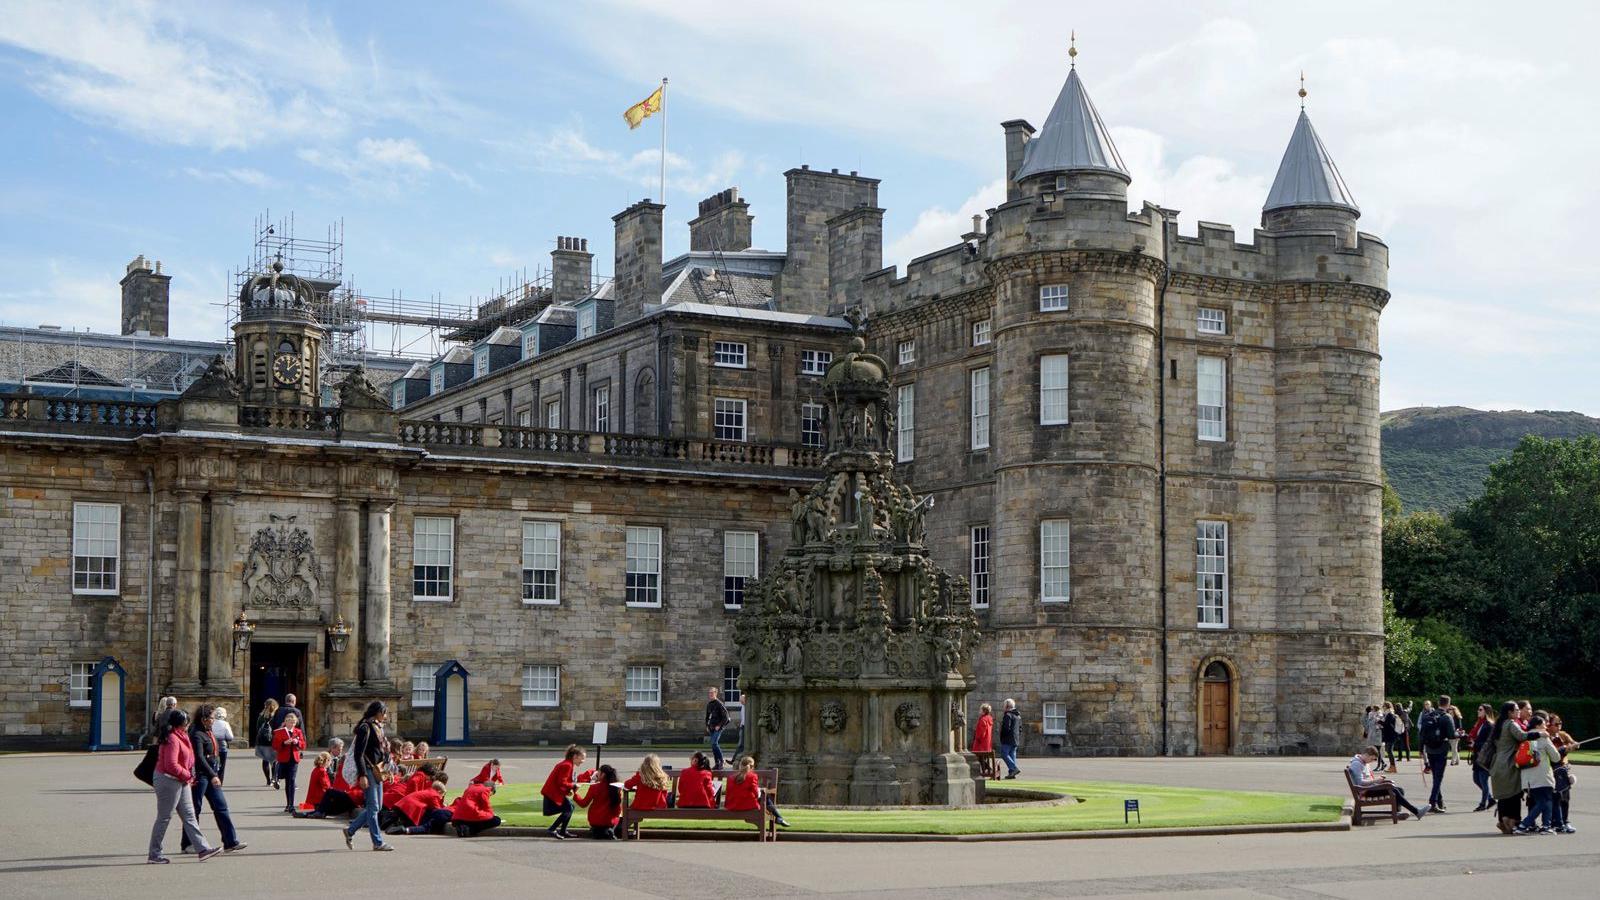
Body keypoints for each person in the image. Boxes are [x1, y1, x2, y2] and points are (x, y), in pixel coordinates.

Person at [147, 710, 222, 863]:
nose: (189, 725)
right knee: (164, 817)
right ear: (181, 724)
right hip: (168, 780)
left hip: (181, 779)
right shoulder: (172, 738)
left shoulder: (182, 736)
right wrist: (188, 775)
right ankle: (154, 853)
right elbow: (171, 765)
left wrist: (189, 775)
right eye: (187, 722)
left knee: (189, 815)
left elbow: (189, 758)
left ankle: (202, 849)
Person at [181, 705, 244, 855]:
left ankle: (230, 841)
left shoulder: (208, 731)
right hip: (200, 776)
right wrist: (213, 775)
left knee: (221, 807)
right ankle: (187, 843)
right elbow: (199, 758)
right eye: (211, 718)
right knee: (194, 810)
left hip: (210, 775)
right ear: (203, 719)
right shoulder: (196, 734)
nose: (214, 720)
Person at [343, 700, 395, 851]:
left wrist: (389, 769)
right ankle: (378, 842)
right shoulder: (365, 727)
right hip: (368, 771)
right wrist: (362, 775)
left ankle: (350, 830)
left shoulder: (378, 727)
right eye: (384, 712)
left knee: (376, 807)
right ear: (377, 712)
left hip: (378, 770)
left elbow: (382, 753)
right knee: (373, 808)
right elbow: (359, 754)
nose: (385, 716)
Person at [1346, 744, 1426, 820]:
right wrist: (1376, 781)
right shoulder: (1357, 764)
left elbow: (1365, 779)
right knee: (1393, 789)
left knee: (1400, 790)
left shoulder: (1362, 762)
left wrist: (1378, 781)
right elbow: (1360, 783)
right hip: (1366, 791)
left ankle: (1397, 813)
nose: (1371, 761)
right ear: (1366, 755)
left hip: (1369, 788)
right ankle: (1416, 811)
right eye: (1372, 759)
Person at [1487, 700, 1530, 834]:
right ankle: (1512, 820)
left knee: (1503, 794)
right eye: (1516, 710)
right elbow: (1522, 736)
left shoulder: (1498, 725)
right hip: (1509, 763)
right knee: (1515, 792)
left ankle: (1502, 819)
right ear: (1510, 712)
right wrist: (1539, 733)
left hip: (1497, 764)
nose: (1518, 712)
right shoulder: (1511, 724)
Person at [1515, 716, 1560, 834]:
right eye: (1544, 724)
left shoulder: (1524, 737)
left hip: (1527, 777)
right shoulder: (1543, 737)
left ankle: (1546, 826)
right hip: (1542, 776)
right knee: (1543, 801)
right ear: (1537, 726)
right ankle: (1524, 825)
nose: (1546, 726)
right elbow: (1556, 758)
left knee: (1544, 800)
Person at [723, 755, 789, 827]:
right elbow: (756, 794)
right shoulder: (752, 776)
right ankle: (779, 817)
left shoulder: (730, 777)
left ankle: (779, 817)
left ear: (740, 765)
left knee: (763, 797)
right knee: (765, 797)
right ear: (752, 767)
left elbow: (729, 792)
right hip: (747, 806)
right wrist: (760, 790)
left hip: (732, 806)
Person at [1418, 694, 1456, 812]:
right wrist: (1460, 734)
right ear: (1448, 704)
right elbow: (1451, 735)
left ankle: (1440, 801)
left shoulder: (1428, 715)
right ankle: (1432, 802)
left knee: (1436, 777)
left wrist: (1420, 749)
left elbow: (1422, 734)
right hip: (1441, 749)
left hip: (1429, 749)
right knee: (1438, 778)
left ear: (1438, 703)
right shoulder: (1446, 717)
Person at [541, 744, 587, 839]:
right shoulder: (567, 765)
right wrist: (574, 785)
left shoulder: (567, 764)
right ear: (575, 756)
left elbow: (562, 782)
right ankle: (553, 829)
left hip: (553, 791)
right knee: (569, 808)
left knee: (570, 807)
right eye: (582, 758)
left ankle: (562, 830)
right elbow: (562, 782)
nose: (583, 761)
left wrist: (568, 790)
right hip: (552, 793)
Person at [575, 765, 624, 839]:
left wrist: (575, 795)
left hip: (595, 819)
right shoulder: (616, 788)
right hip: (609, 820)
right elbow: (617, 809)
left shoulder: (594, 787)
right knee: (620, 816)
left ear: (603, 774)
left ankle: (601, 831)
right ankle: (611, 830)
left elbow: (583, 804)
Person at [272, 711, 305, 813]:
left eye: (293, 722)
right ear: (285, 722)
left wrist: (297, 742)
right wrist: (284, 743)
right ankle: (276, 778)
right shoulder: (279, 732)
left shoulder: (298, 732)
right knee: (284, 778)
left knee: (291, 781)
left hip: (294, 759)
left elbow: (303, 745)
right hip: (283, 758)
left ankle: (290, 804)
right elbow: (274, 746)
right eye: (289, 722)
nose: (291, 724)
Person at [1469, 704, 1495, 811]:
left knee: (1483, 780)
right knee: (1476, 779)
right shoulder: (1480, 723)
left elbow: (1488, 742)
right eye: (1478, 709)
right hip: (1477, 755)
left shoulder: (1489, 725)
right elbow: (1476, 736)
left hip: (1485, 756)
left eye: (1480, 710)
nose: (1478, 711)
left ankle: (1483, 804)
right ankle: (1490, 799)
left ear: (1486, 712)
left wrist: (1475, 744)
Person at [254, 699, 279, 788]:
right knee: (274, 761)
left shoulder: (261, 716)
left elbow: (257, 728)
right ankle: (273, 778)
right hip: (272, 740)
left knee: (265, 761)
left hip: (262, 741)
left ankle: (268, 780)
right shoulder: (275, 716)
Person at [705, 687, 730, 770]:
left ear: (716, 693)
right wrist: (707, 726)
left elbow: (726, 717)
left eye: (712, 693)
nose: (710, 694)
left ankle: (722, 761)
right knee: (713, 745)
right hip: (711, 727)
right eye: (709, 693)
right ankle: (717, 763)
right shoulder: (709, 704)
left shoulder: (719, 704)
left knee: (714, 743)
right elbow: (707, 716)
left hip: (718, 728)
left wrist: (719, 725)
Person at [998, 698, 1022, 779]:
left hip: (1008, 739)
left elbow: (1006, 728)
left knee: (1004, 754)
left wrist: (1002, 735)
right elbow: (1020, 728)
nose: (1003, 707)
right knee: (1012, 756)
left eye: (1004, 705)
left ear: (1007, 706)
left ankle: (1014, 768)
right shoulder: (1018, 715)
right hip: (1015, 739)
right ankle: (1012, 773)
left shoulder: (1007, 715)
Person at [210, 706, 233, 782]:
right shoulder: (225, 724)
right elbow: (230, 737)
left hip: (212, 746)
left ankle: (213, 778)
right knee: (222, 766)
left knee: (212, 764)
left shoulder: (212, 722)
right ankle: (220, 781)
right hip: (222, 746)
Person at [972, 703, 995, 778]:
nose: (979, 711)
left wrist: (977, 738)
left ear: (984, 711)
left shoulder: (983, 719)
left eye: (980, 709)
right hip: (987, 742)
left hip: (981, 743)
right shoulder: (989, 718)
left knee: (979, 757)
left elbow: (981, 732)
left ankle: (988, 769)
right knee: (982, 758)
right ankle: (986, 769)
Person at [1378, 702, 1400, 773]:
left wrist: (1379, 722)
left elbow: (1388, 725)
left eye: (1383, 706)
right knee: (1389, 750)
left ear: (1387, 707)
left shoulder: (1390, 714)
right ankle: (1392, 766)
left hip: (1391, 736)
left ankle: (1393, 767)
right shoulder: (1388, 714)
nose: (1383, 707)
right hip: (1389, 735)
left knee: (1389, 750)